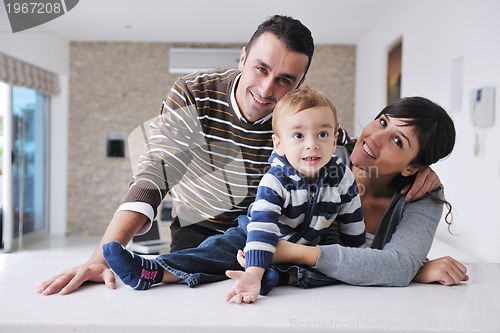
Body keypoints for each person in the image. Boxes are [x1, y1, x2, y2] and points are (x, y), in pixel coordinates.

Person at [37, 14, 439, 296]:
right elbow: (155, 172)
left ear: (300, 82)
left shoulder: (297, 118)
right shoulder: (194, 92)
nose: (266, 90)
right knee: (191, 302)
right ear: (243, 56)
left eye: (285, 80)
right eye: (260, 68)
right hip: (200, 228)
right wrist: (101, 254)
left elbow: (348, 151)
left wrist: (426, 175)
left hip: (274, 237)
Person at [101, 87, 366, 303]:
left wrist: (357, 260)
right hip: (254, 234)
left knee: (332, 263)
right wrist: (252, 271)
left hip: (302, 246)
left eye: (322, 134)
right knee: (215, 253)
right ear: (280, 145)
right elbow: (263, 228)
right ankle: (153, 270)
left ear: (334, 140)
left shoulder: (342, 177)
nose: (312, 143)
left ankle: (276, 276)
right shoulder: (276, 179)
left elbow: (352, 222)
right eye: (298, 135)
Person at [230, 96, 468, 295]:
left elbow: (399, 267)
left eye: (397, 140)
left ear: (412, 168)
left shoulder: (424, 197)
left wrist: (289, 252)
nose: (375, 138)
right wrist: (412, 270)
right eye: (383, 122)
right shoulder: (322, 160)